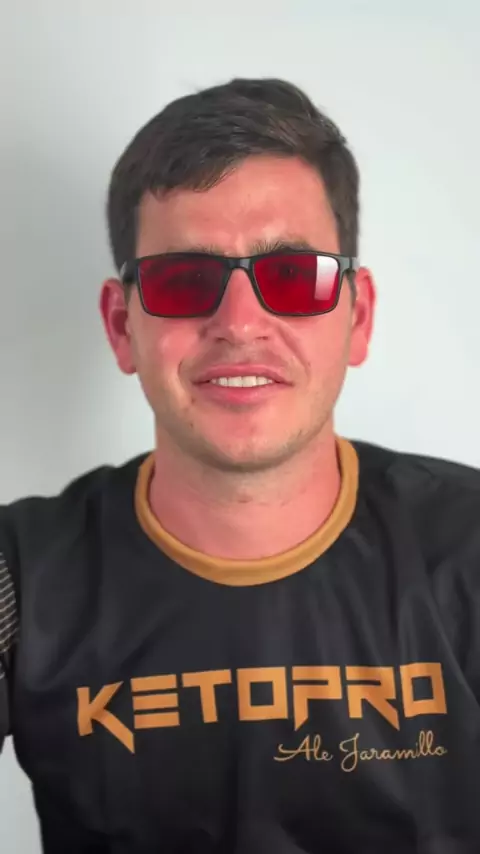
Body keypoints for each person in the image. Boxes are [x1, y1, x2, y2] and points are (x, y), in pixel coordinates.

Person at [1, 77, 479, 854]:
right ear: (122, 327)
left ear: (357, 315)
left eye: (292, 276)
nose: (240, 323)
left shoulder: (471, 546)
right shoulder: (16, 580)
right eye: (184, 280)